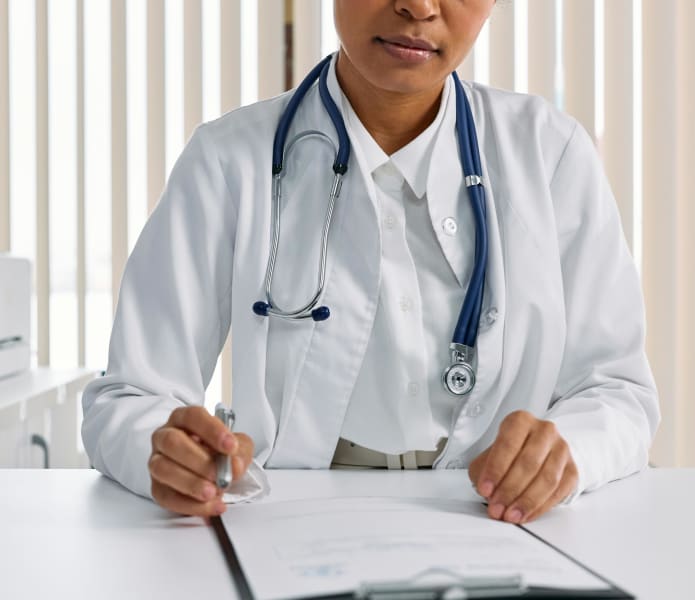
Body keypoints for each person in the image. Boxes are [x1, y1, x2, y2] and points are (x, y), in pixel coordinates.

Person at [82, 0, 659, 524]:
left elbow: (617, 392)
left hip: (495, 519)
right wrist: (163, 450)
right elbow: (128, 397)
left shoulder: (549, 152)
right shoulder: (229, 159)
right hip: (291, 519)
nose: (419, 7)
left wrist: (565, 452)